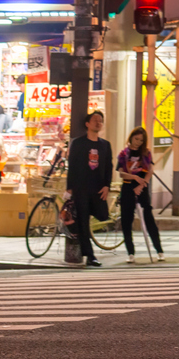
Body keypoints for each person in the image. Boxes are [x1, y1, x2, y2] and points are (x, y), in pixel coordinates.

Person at [65, 109, 113, 267]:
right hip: (81, 188)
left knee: (102, 216)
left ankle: (87, 250)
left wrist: (107, 186)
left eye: (100, 120)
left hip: (98, 188)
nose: (98, 122)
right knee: (83, 221)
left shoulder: (105, 145)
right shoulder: (79, 143)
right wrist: (69, 188)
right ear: (87, 124)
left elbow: (108, 167)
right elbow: (72, 166)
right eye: (95, 120)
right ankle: (89, 255)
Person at [116, 126, 163, 262]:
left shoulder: (146, 154)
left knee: (149, 219)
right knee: (126, 220)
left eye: (141, 140)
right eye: (136, 139)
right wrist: (134, 178)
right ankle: (130, 252)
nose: (138, 142)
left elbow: (150, 170)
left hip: (141, 188)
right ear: (131, 137)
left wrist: (142, 184)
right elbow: (120, 172)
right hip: (127, 186)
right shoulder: (124, 154)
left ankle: (159, 250)